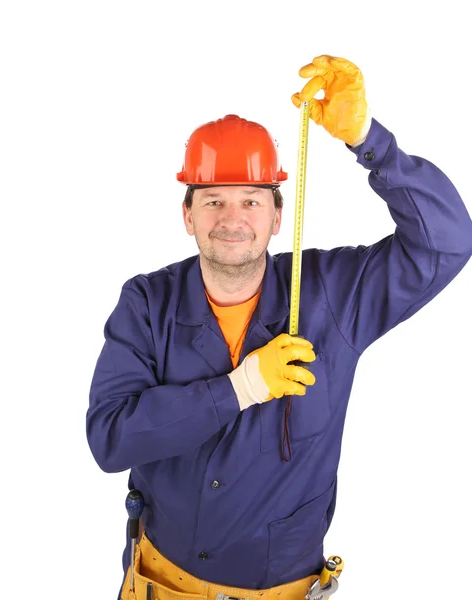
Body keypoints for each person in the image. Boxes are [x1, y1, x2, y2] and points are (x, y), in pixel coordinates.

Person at [86, 55, 472, 600]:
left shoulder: (334, 295)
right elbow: (109, 438)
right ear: (187, 215)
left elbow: (447, 242)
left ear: (276, 215)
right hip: (156, 584)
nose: (232, 218)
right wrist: (240, 388)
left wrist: (369, 140)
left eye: (250, 200)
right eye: (213, 200)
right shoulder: (147, 303)